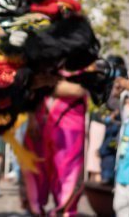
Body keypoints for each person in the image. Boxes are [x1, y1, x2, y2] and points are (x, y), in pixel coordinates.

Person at [22, 77, 88, 217]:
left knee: (68, 176)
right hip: (40, 124)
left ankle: (63, 212)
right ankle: (35, 211)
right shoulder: (42, 60)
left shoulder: (84, 63)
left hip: (69, 127)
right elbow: (30, 85)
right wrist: (31, 117)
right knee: (35, 173)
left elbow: (80, 89)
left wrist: (44, 85)